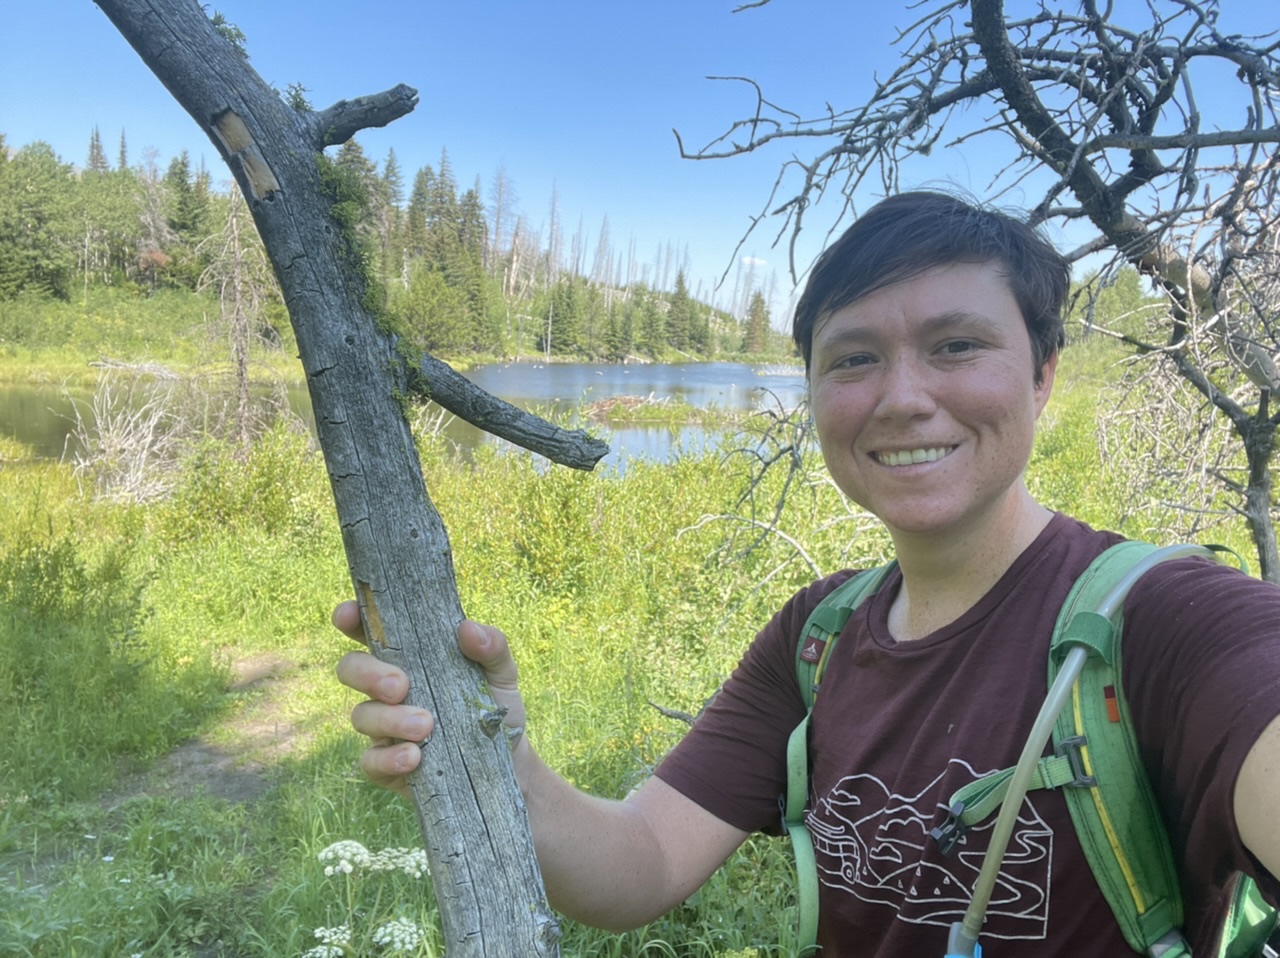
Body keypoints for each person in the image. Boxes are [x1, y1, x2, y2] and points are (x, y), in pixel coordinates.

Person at [334, 191, 1280, 956]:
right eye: (854, 359)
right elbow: (643, 865)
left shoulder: (1168, 625)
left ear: (1042, 374)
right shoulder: (820, 633)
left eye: (956, 346)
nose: (904, 398)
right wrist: (500, 754)